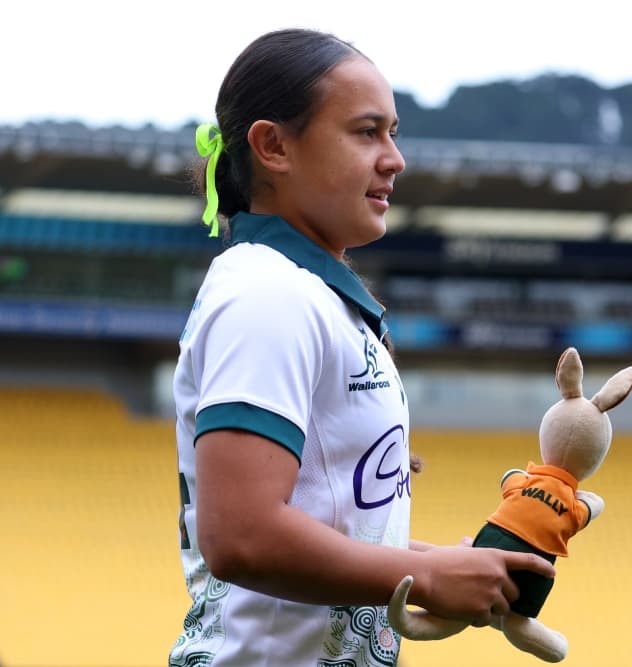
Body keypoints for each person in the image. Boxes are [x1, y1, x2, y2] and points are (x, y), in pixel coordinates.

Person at [170, 28, 555, 667]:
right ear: (273, 146)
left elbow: (324, 532)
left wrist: (452, 568)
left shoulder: (306, 293)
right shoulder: (269, 290)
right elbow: (239, 535)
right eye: (366, 131)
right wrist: (426, 578)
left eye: (393, 132)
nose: (395, 158)